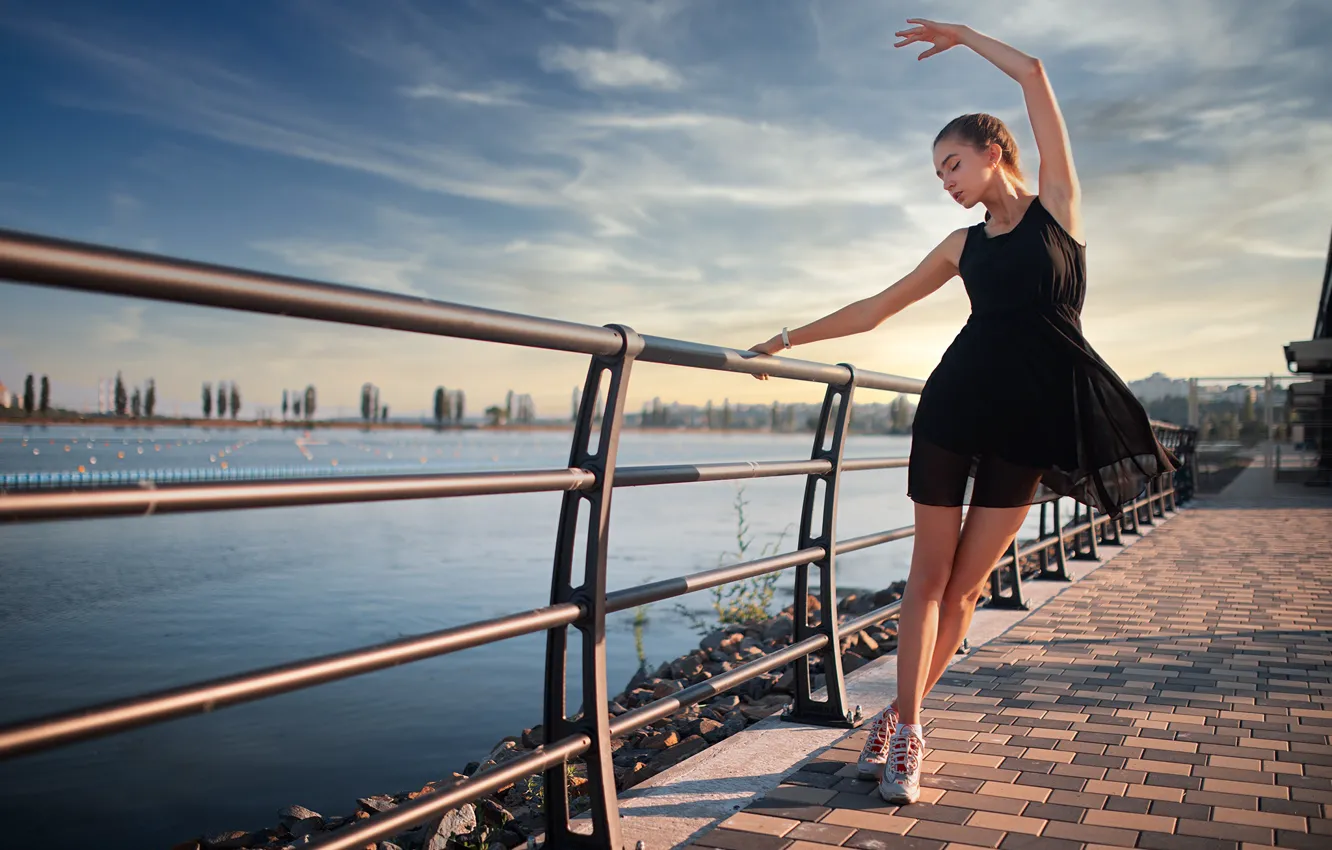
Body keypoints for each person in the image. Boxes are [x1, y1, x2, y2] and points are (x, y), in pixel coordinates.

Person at [745, 18, 1179, 804]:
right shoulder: (960, 245)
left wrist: (966, 35)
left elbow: (1039, 76)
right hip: (954, 407)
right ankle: (907, 730)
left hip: (1030, 423)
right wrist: (783, 337)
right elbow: (876, 309)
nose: (945, 180)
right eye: (937, 172)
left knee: (968, 588)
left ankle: (899, 714)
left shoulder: (1059, 212)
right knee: (928, 578)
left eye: (952, 164)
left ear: (994, 153)